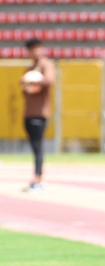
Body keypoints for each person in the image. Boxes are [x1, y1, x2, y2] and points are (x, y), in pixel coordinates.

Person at [19, 38, 56, 192]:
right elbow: (23, 88)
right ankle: (37, 175)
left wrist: (35, 80)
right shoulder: (29, 68)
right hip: (28, 112)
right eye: (31, 49)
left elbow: (50, 80)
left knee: (38, 146)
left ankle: (38, 177)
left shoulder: (45, 65)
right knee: (34, 147)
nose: (35, 52)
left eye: (37, 48)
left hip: (40, 113)